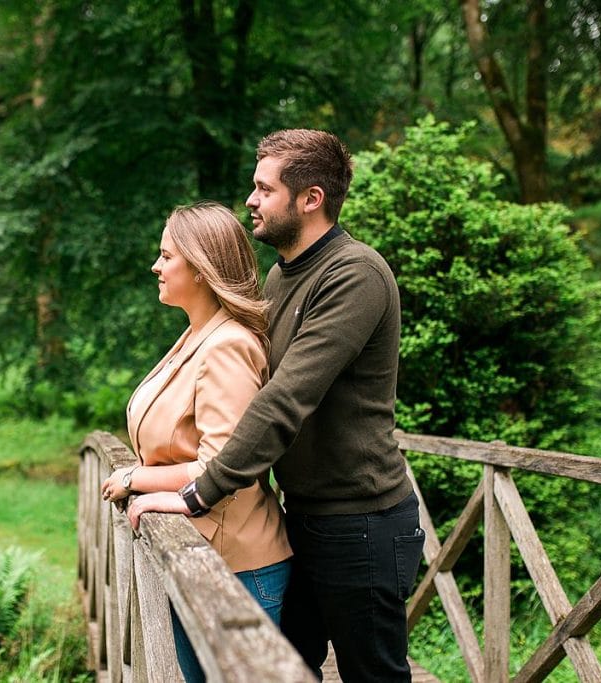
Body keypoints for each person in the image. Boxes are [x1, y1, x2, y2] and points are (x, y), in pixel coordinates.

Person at [127, 130, 425, 682]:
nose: (251, 200)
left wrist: (197, 493)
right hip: (304, 520)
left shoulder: (354, 274)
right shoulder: (282, 276)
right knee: (281, 669)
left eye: (264, 189)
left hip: (361, 522)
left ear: (310, 198)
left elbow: (284, 400)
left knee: (373, 676)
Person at [101, 202, 292, 683]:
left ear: (202, 270)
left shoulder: (228, 345)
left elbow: (221, 464)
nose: (156, 266)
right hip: (201, 555)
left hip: (236, 569)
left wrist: (133, 477)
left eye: (167, 257)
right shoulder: (197, 335)